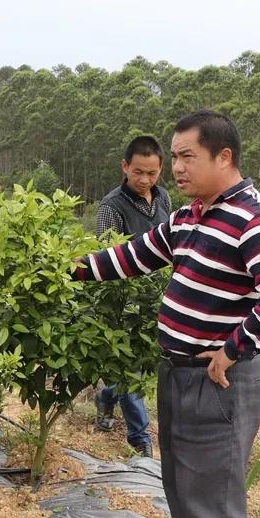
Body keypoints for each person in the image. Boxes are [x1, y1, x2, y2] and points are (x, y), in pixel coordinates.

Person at [74, 110, 260, 518]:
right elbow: (132, 256)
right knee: (179, 479)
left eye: (186, 157)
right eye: (173, 157)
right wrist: (65, 269)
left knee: (215, 498)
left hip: (217, 379)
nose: (175, 168)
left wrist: (234, 348)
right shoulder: (192, 215)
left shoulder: (250, 217)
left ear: (223, 157)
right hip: (177, 371)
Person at [93, 135, 171, 458]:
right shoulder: (112, 208)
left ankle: (106, 397)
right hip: (126, 303)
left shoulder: (164, 198)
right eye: (138, 172)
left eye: (152, 173)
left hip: (158, 299)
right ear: (125, 167)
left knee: (146, 365)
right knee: (129, 371)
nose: (144, 180)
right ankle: (140, 439)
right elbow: (106, 260)